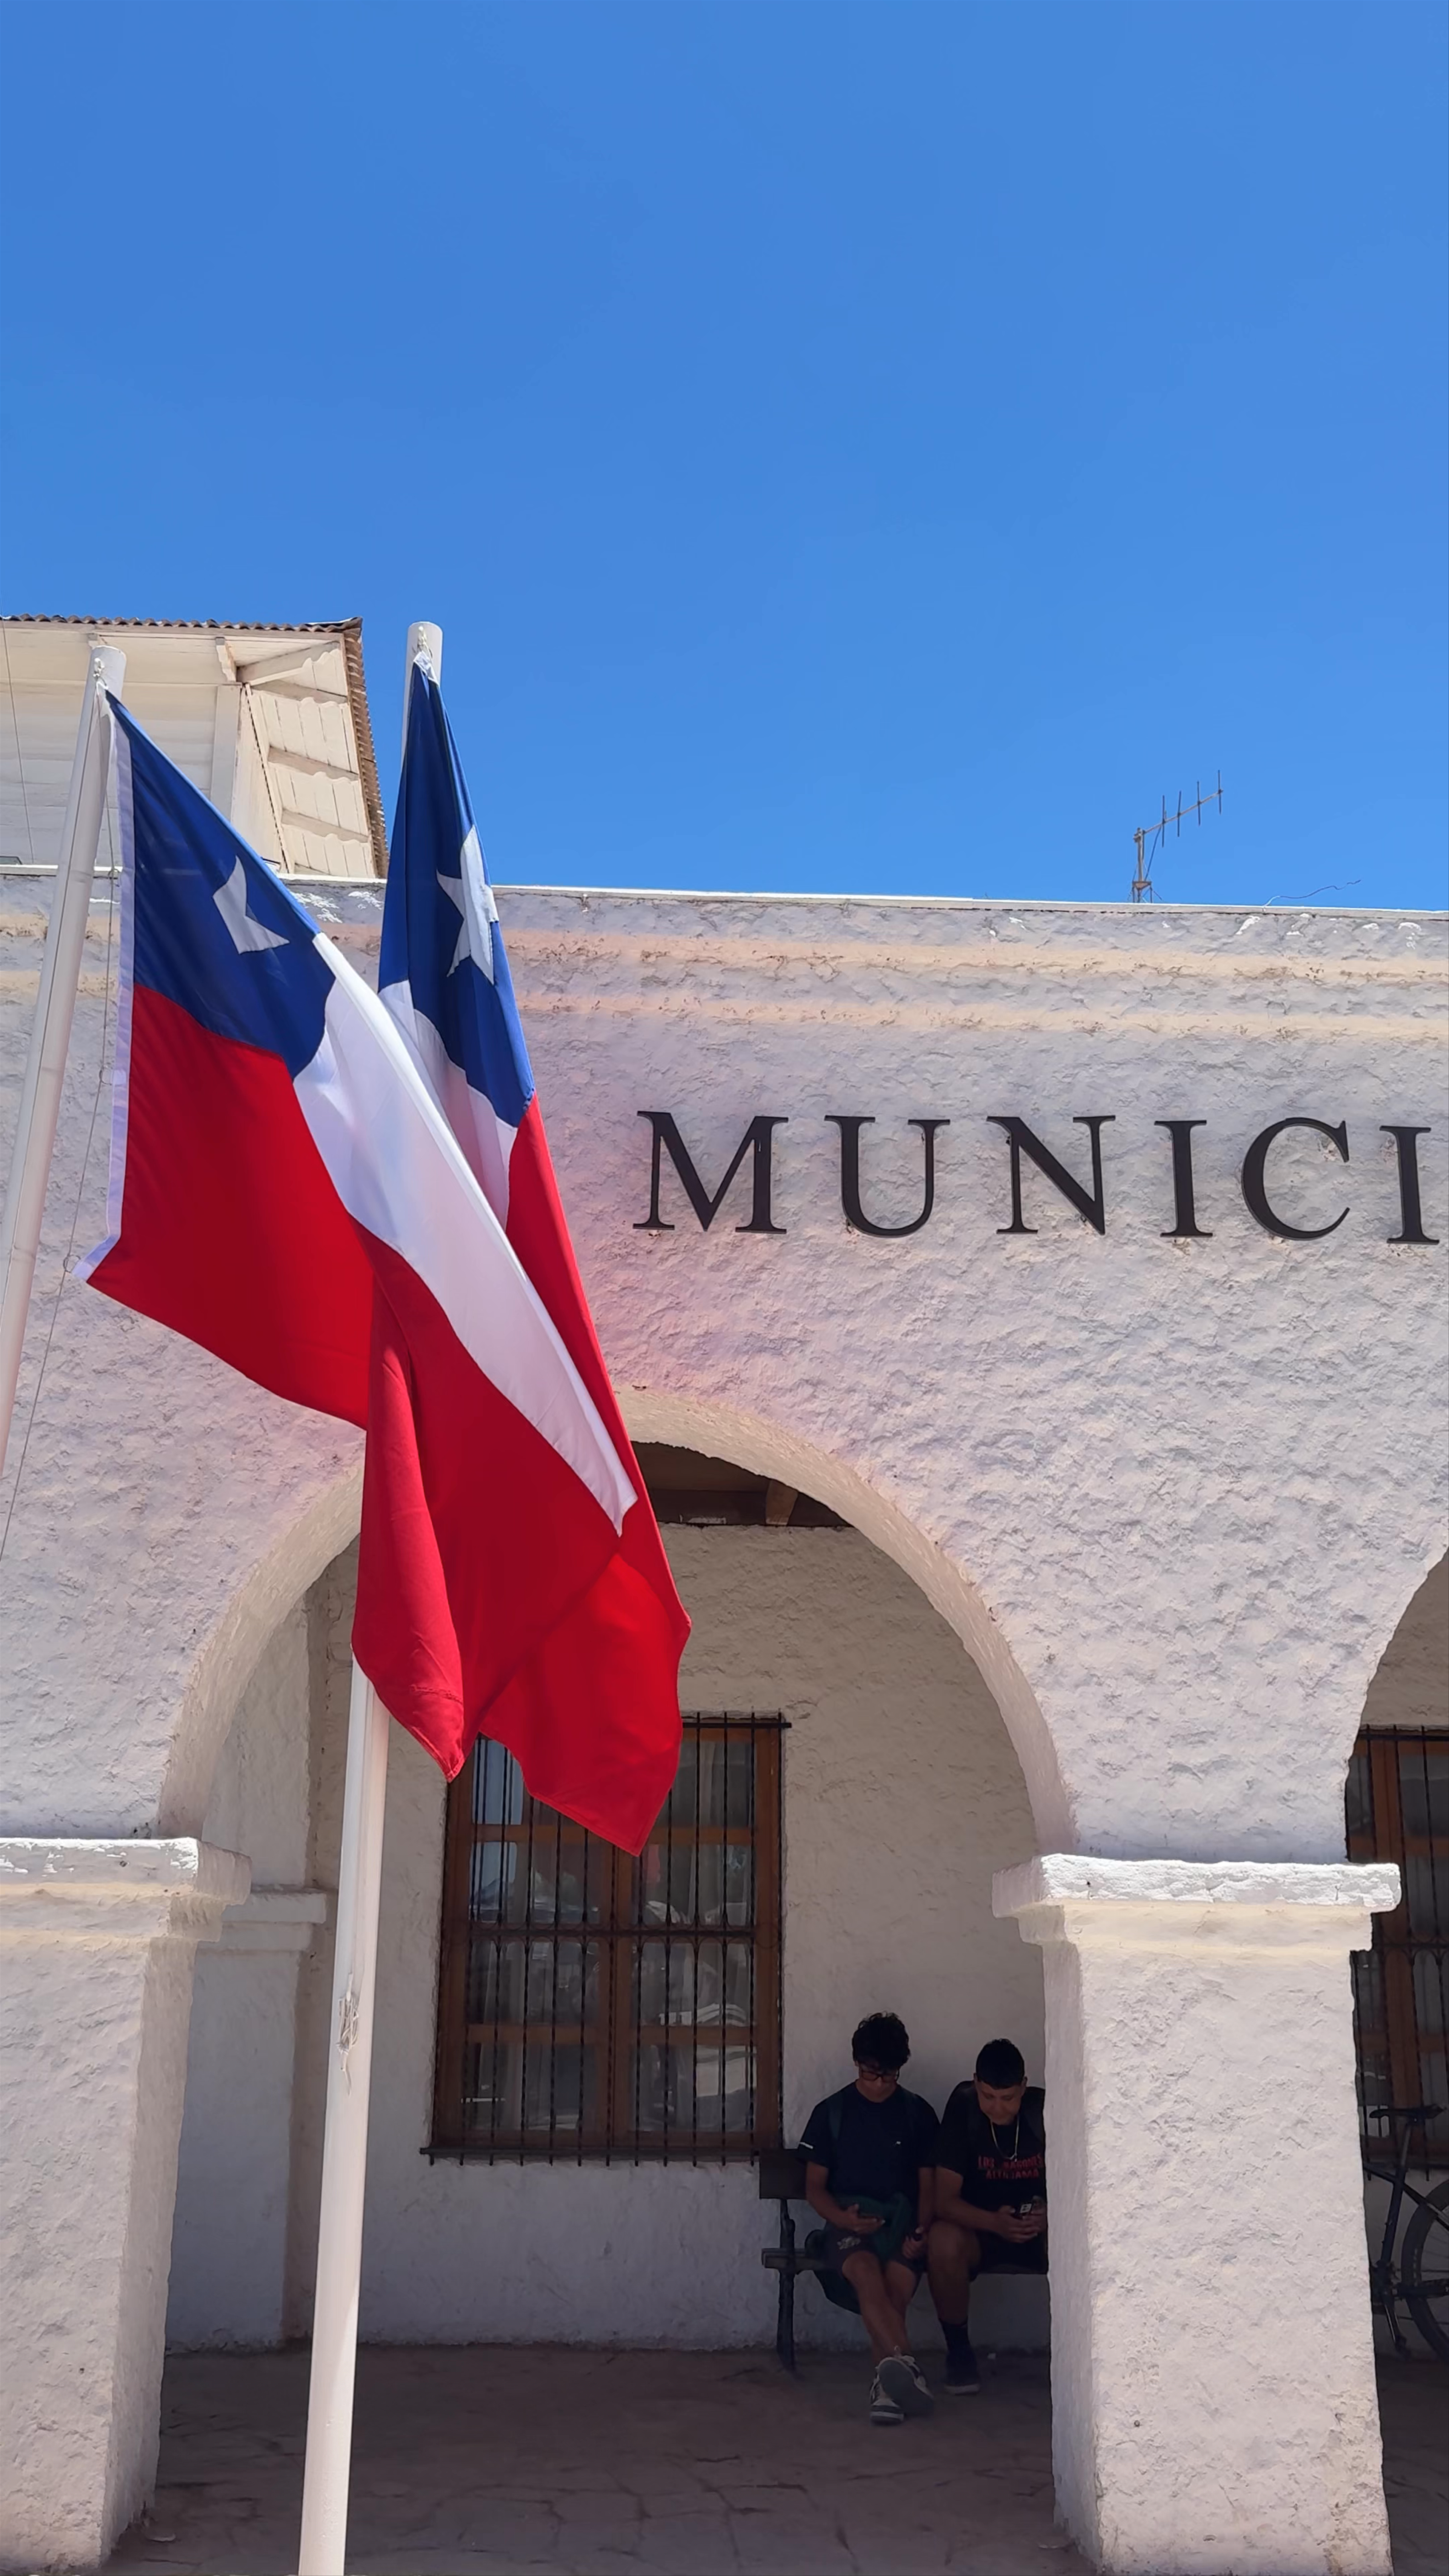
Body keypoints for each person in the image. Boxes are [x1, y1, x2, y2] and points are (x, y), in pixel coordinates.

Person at [799, 2011, 939, 2426]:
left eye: (889, 2075)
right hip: (848, 2224)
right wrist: (843, 2217)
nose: (878, 2083)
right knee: (865, 2273)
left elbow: (928, 2185)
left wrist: (922, 2230)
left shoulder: (917, 2113)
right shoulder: (832, 2112)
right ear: (856, 2062)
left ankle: (888, 2388)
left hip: (902, 2222)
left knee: (896, 2288)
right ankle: (905, 2366)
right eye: (869, 2073)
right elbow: (815, 2188)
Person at [927, 2036, 1046, 2395]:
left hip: (1039, 2232)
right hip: (980, 2229)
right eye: (989, 2096)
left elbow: (1086, 2188)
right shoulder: (963, 2108)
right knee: (943, 2239)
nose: (998, 2108)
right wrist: (995, 2221)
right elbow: (943, 2201)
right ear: (976, 2082)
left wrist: (1051, 2215)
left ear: (1024, 2086)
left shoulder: (1043, 2110)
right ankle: (959, 2352)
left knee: (1089, 2241)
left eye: (1008, 2098)